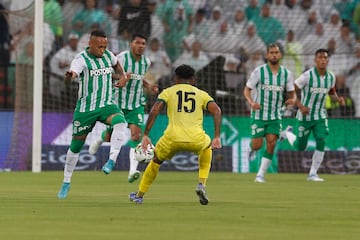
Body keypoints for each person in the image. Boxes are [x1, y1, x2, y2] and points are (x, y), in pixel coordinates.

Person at [129, 64, 222, 205]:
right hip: (196, 138)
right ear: (193, 79)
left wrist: (146, 134)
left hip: (172, 138)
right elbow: (217, 111)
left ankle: (139, 195)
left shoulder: (168, 92)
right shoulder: (201, 94)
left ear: (176, 78)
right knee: (207, 147)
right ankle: (201, 184)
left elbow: (154, 111)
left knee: (156, 161)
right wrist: (216, 136)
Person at [57, 29, 131, 199]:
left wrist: (123, 76)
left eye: (105, 46)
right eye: (99, 47)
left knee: (121, 122)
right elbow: (72, 76)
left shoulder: (108, 55)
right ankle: (66, 182)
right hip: (86, 110)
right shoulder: (80, 60)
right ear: (90, 44)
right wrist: (69, 77)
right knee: (75, 147)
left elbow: (116, 63)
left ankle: (111, 160)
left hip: (106, 104)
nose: (102, 50)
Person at [89, 33, 157, 183]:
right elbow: (107, 73)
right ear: (131, 44)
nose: (141, 46)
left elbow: (139, 78)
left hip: (136, 104)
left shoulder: (146, 62)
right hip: (118, 102)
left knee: (136, 136)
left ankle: (132, 171)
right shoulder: (122, 58)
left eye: (143, 43)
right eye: (138, 42)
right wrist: (122, 78)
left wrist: (149, 86)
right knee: (109, 136)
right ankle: (100, 140)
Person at [280, 49, 345, 181]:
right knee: (300, 147)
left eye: (325, 58)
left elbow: (331, 92)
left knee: (321, 140)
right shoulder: (307, 76)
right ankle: (287, 133)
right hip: (304, 117)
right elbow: (291, 91)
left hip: (320, 116)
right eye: (320, 57)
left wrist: (337, 99)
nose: (322, 60)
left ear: (327, 60)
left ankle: (313, 174)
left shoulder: (331, 77)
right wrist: (301, 106)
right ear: (315, 60)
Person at [243, 43, 296, 183]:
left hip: (275, 115)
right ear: (267, 55)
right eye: (271, 52)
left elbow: (292, 93)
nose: (274, 54)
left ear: (280, 55)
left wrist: (292, 100)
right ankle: (251, 148)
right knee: (257, 145)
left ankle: (260, 175)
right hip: (259, 115)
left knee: (271, 143)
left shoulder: (287, 74)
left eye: (276, 52)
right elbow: (247, 90)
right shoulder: (258, 72)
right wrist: (251, 102)